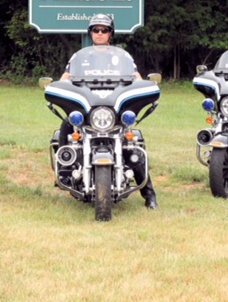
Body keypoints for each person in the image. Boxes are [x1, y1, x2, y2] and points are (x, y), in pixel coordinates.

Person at [58, 14, 158, 209]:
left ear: (110, 33)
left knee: (131, 146)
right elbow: (65, 78)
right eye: (96, 30)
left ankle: (149, 195)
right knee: (66, 124)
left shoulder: (122, 57)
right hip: (88, 108)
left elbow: (136, 78)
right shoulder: (79, 57)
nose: (100, 33)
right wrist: (60, 86)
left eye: (104, 30)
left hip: (113, 109)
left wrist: (143, 85)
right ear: (90, 33)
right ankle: (64, 170)